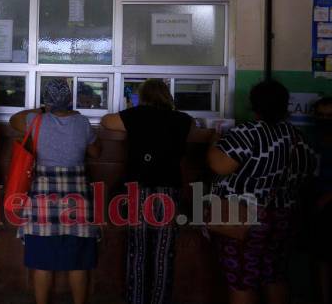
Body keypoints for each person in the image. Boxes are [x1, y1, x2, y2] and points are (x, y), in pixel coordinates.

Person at [100, 78, 212, 304]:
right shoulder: (184, 120)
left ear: (144, 96)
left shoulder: (135, 115)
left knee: (137, 250)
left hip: (138, 190)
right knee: (163, 252)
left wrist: (133, 114)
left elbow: (106, 121)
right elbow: (199, 136)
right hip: (169, 191)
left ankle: (136, 299)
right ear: (166, 96)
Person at [207, 80, 315, 304]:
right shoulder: (298, 137)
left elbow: (219, 166)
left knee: (241, 280)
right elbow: (307, 173)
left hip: (245, 216)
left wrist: (213, 143)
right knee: (274, 276)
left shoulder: (247, 133)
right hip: (284, 216)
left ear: (254, 105)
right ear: (285, 105)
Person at [10, 78, 101, 304]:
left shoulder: (35, 120)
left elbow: (13, 120)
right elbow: (96, 152)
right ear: (70, 99)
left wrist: (43, 109)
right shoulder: (82, 123)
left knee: (42, 259)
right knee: (78, 258)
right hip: (76, 196)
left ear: (47, 100)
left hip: (43, 195)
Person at [308, 97, 332, 303]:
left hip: (327, 204)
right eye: (321, 115)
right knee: (320, 257)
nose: (325, 120)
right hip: (314, 203)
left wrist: (326, 198)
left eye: (329, 116)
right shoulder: (313, 139)